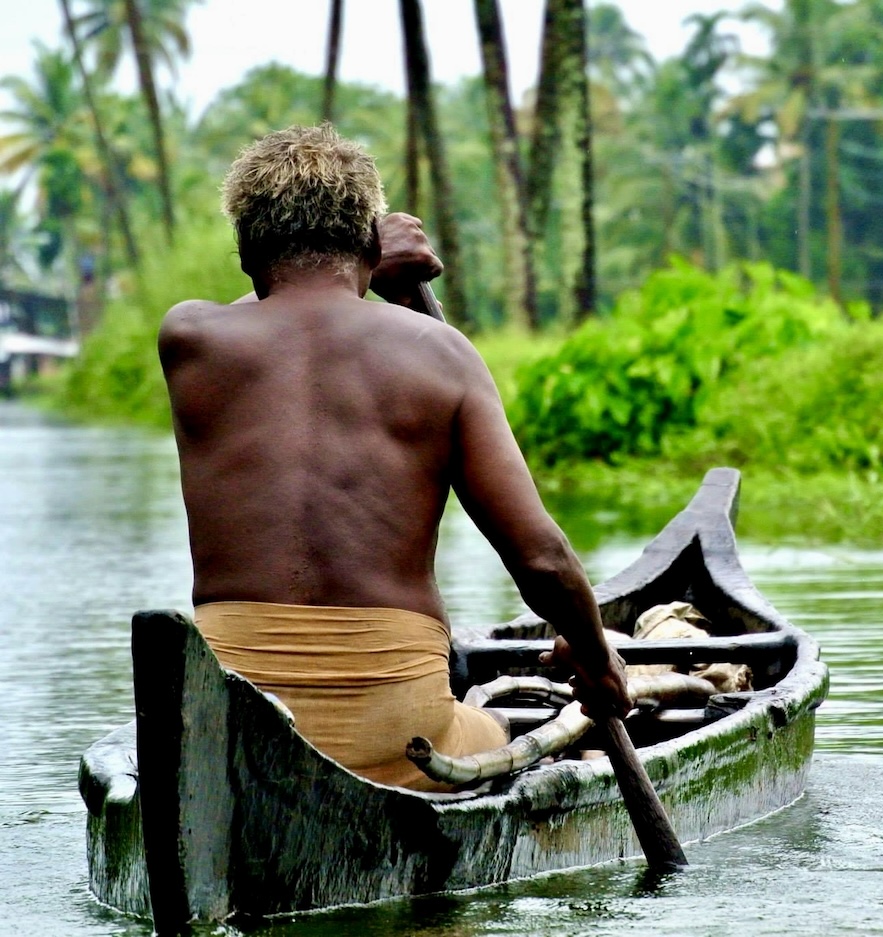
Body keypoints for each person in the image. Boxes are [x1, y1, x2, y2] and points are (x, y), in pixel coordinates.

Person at [157, 124, 629, 792]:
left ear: (244, 252)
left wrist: (364, 266)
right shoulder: (442, 354)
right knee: (496, 730)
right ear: (368, 244)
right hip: (394, 735)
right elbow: (541, 560)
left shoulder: (189, 339)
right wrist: (599, 658)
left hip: (234, 724)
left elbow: (286, 309)